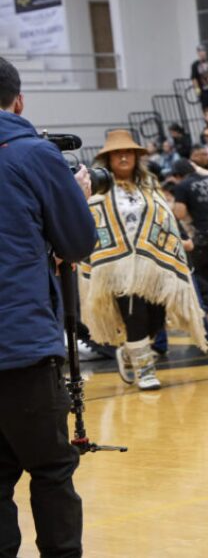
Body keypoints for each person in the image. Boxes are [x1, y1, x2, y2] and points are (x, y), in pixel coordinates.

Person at [0, 56, 95, 558]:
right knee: (51, 470)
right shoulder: (34, 154)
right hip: (20, 347)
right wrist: (75, 197)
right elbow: (77, 243)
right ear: (19, 101)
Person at [82, 131, 208, 390]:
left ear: (137, 157)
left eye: (128, 152)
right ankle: (145, 370)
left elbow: (165, 218)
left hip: (153, 263)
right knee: (134, 314)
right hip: (117, 265)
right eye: (117, 153)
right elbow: (90, 220)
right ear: (108, 159)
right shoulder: (98, 188)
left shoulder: (149, 185)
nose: (124, 156)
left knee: (155, 319)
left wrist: (180, 241)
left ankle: (129, 352)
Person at [167, 160, 208, 314]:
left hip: (207, 232)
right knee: (202, 264)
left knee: (189, 266)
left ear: (177, 176)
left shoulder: (182, 186)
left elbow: (180, 214)